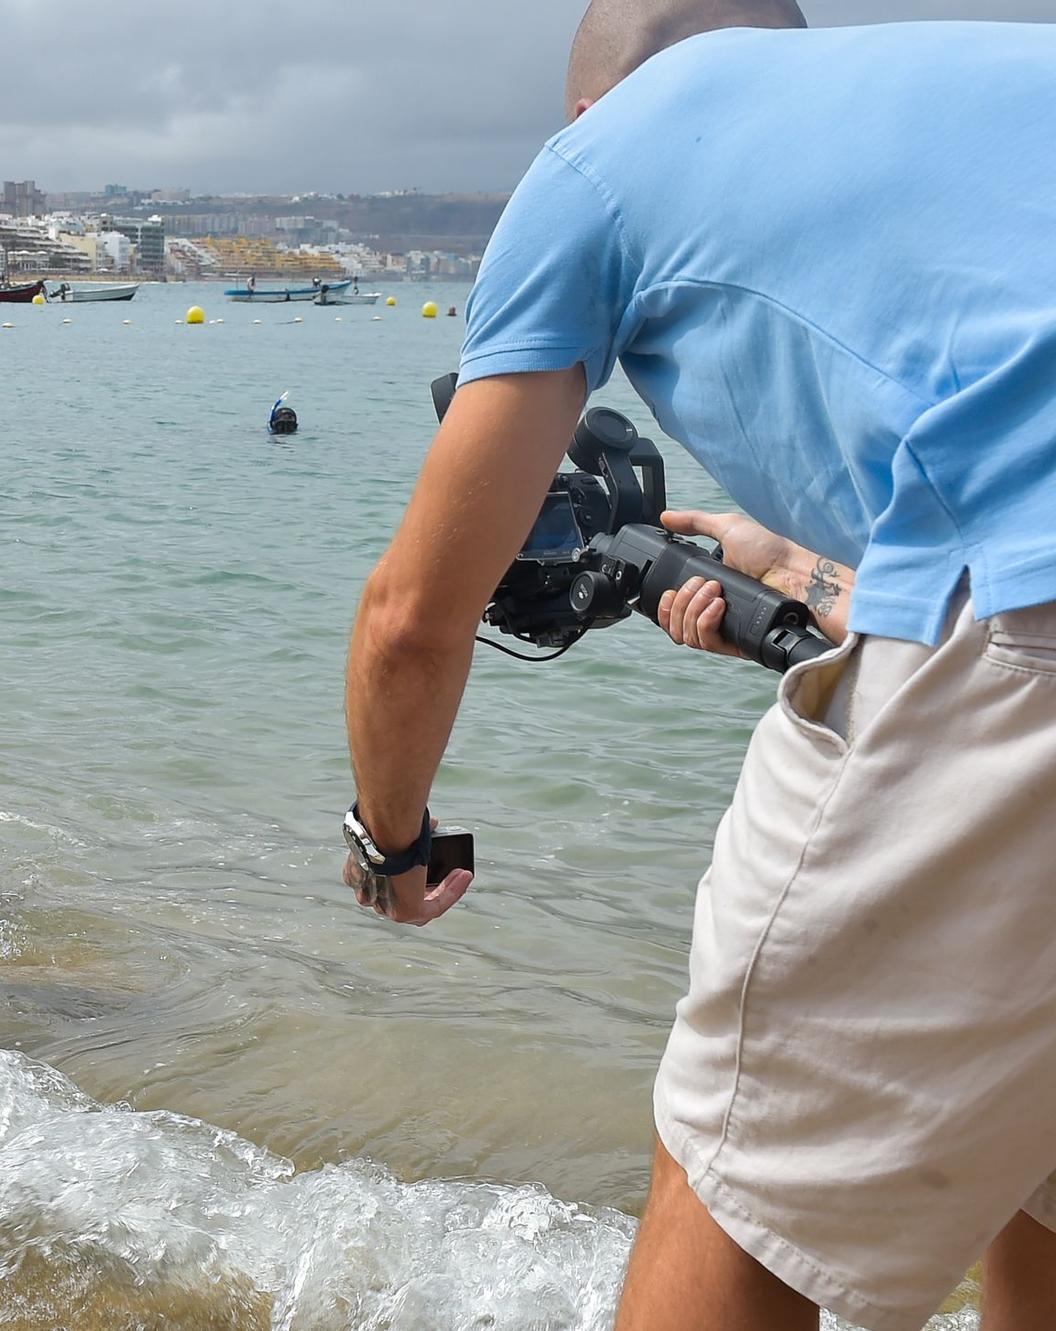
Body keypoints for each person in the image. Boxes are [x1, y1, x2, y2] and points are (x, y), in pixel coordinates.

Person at [340, 6, 1056, 1330]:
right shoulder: (979, 74)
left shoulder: (607, 154)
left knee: (734, 1179)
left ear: (591, 107)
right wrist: (806, 576)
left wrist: (392, 843)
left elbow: (411, 621)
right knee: (1036, 1148)